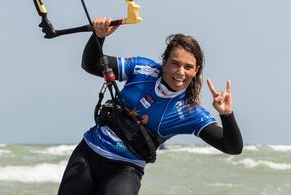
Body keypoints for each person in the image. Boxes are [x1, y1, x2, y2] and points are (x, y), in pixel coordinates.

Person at [57, 17, 243, 195]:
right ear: (164, 63)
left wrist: (227, 115)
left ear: (196, 71)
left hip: (125, 168)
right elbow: (91, 64)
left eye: (188, 67)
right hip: (89, 152)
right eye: (175, 64)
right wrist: (99, 36)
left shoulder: (189, 111)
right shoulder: (142, 69)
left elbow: (232, 147)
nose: (180, 72)